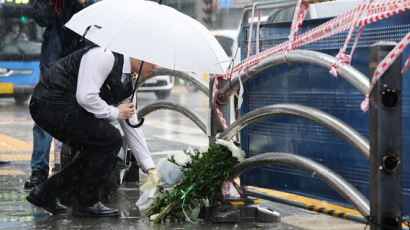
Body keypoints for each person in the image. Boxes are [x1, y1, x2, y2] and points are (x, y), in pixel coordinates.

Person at [26, 45, 158, 217]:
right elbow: (86, 96)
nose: (156, 67)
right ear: (138, 53)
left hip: (65, 108)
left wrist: (150, 167)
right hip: (49, 102)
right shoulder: (104, 55)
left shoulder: (128, 83)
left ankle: (46, 193)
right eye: (154, 60)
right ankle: (86, 202)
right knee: (110, 139)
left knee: (98, 147)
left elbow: (131, 125)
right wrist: (115, 112)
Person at [24, 0, 96, 189]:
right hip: (53, 61)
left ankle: (80, 168)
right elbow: (41, 18)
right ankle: (39, 171)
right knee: (42, 118)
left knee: (85, 114)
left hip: (85, 59)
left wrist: (82, 1)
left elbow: (98, 17)